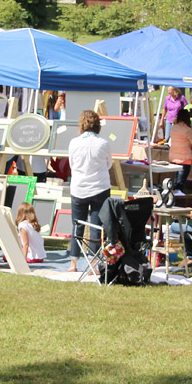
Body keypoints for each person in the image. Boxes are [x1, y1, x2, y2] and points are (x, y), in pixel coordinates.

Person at [67, 109, 113, 273]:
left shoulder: (74, 142)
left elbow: (72, 164)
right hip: (99, 188)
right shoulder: (104, 143)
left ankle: (73, 263)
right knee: (96, 227)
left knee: (76, 226)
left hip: (79, 187)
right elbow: (109, 164)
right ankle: (94, 263)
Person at [169, 108, 192, 188]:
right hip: (185, 158)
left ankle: (173, 198)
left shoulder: (173, 128)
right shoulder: (187, 130)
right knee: (180, 183)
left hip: (173, 157)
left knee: (175, 182)